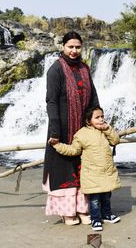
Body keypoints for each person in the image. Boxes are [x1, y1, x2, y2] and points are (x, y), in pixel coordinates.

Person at [42, 31, 99, 226]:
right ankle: (67, 212)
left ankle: (83, 209)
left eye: (77, 47)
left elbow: (93, 97)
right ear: (63, 47)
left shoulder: (84, 68)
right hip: (63, 128)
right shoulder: (56, 70)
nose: (74, 51)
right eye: (70, 47)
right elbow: (51, 101)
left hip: (83, 129)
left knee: (84, 169)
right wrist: (55, 129)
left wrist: (97, 121)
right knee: (65, 170)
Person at [52, 106, 121, 231]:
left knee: (106, 196)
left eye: (102, 117)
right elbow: (73, 150)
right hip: (92, 174)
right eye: (97, 117)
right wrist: (57, 145)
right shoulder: (81, 134)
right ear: (88, 121)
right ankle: (95, 219)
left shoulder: (104, 130)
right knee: (94, 200)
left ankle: (107, 215)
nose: (101, 120)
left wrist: (107, 128)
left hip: (106, 171)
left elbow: (115, 140)